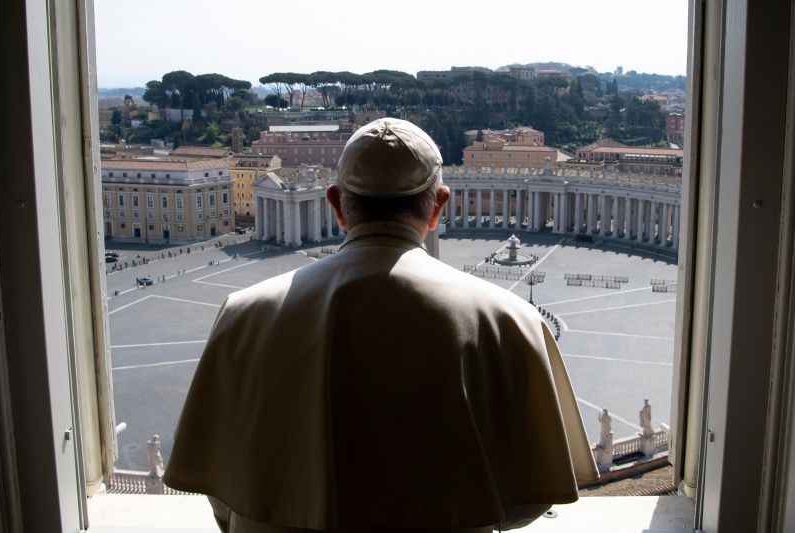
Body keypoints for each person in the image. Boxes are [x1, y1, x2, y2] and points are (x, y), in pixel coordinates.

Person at [164, 118, 598, 533]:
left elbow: (220, 489)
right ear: (438, 207)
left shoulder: (243, 313)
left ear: (335, 204)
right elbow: (531, 495)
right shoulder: (510, 319)